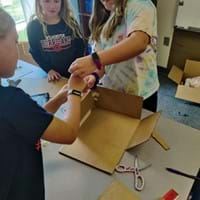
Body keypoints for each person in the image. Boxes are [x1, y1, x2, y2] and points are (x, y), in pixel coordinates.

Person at [0, 8, 86, 200]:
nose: (19, 49)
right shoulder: (11, 101)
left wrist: (59, 99)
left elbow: (30, 119)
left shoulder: (10, 103)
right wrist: (74, 92)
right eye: (14, 41)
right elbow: (70, 133)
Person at [69, 0, 160, 112]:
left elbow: (139, 42)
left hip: (142, 94)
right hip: (112, 91)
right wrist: (95, 76)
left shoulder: (140, 4)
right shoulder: (102, 17)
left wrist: (93, 60)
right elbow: (100, 63)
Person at [27, 0, 85, 81]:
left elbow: (80, 46)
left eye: (56, 1)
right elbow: (35, 52)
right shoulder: (33, 27)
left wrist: (77, 66)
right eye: (47, 1)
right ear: (39, 2)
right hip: (53, 76)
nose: (52, 6)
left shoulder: (71, 22)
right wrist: (49, 70)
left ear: (62, 2)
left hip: (75, 72)